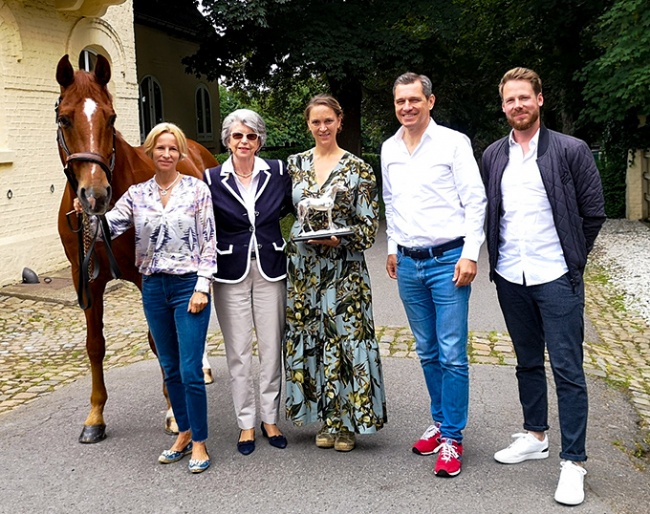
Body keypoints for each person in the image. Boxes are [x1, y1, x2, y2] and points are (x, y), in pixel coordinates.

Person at [481, 67, 605, 505]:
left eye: (524, 98)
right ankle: (536, 435)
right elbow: (490, 213)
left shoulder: (571, 150)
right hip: (512, 275)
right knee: (527, 361)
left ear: (540, 100)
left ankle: (573, 461)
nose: (517, 105)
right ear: (503, 106)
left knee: (568, 369)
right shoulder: (494, 155)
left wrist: (573, 259)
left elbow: (593, 213)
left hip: (556, 276)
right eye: (510, 99)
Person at [75, 123, 217, 473]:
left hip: (188, 287)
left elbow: (209, 243)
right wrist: (89, 215)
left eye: (173, 149)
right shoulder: (137, 195)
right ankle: (182, 434)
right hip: (153, 287)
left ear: (180, 154)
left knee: (189, 369)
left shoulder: (197, 191)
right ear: (150, 153)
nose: (166, 154)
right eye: (160, 148)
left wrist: (202, 286)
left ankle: (199, 442)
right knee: (169, 366)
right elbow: (110, 227)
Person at [381, 72, 486, 477]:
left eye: (413, 100)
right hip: (408, 262)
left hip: (448, 261)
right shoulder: (389, 148)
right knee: (426, 349)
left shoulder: (453, 143)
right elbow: (391, 200)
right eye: (400, 101)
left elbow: (475, 200)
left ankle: (453, 438)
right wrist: (391, 248)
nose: (406, 107)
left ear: (430, 101)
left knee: (452, 352)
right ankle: (440, 423)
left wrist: (470, 254)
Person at [284, 94, 387, 452]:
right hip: (304, 270)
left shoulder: (358, 168)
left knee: (346, 339)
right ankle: (324, 416)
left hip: (343, 270)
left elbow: (368, 229)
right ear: (308, 124)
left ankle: (347, 422)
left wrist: (337, 239)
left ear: (339, 121)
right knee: (311, 339)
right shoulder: (294, 165)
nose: (322, 127)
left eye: (328, 120)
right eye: (316, 122)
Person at [204, 109, 292, 455]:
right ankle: (245, 423)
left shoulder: (278, 172)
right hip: (229, 272)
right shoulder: (211, 178)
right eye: (238, 136)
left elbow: (294, 206)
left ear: (260, 141)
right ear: (227, 140)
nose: (244, 142)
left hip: (271, 266)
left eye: (251, 136)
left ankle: (270, 419)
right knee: (238, 352)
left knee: (271, 346)